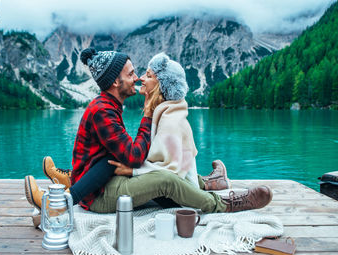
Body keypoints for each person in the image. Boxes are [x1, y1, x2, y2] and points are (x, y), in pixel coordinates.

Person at [25, 49, 272, 214]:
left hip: (104, 180)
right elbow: (133, 156)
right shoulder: (103, 110)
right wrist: (146, 115)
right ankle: (224, 204)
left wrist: (131, 165)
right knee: (164, 180)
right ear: (114, 82)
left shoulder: (110, 106)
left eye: (139, 74)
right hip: (98, 195)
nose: (137, 78)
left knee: (165, 177)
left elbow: (129, 157)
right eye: (131, 74)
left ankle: (208, 183)